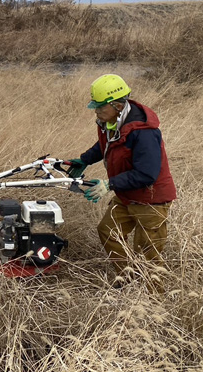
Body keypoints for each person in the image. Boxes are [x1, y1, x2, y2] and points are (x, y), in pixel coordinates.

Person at [64, 74, 176, 287]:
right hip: (127, 195)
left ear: (116, 104)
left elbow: (147, 174)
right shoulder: (111, 122)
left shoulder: (144, 132)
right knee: (108, 231)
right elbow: (105, 144)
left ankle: (154, 302)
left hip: (151, 200)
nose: (96, 111)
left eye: (100, 106)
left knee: (147, 254)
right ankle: (127, 280)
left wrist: (109, 185)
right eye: (94, 106)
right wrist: (85, 160)